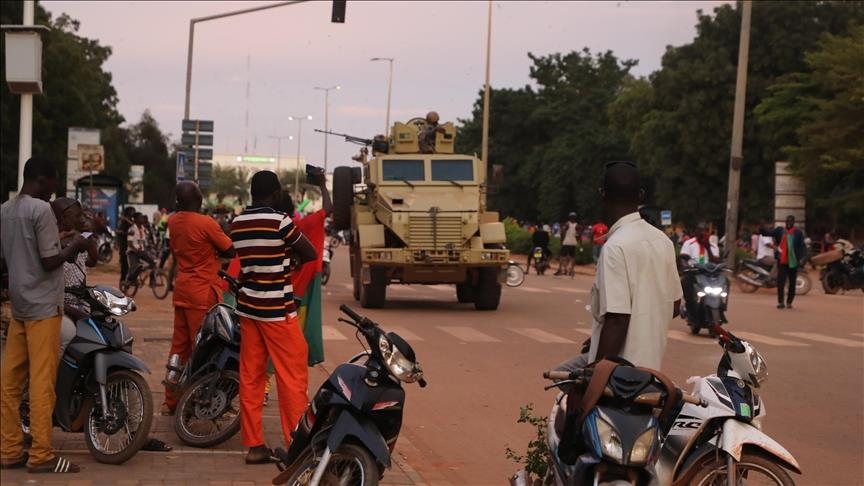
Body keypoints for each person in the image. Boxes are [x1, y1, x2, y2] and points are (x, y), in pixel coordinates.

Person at [0, 156, 90, 473]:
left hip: (20, 309)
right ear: (42, 179)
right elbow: (51, 261)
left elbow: (7, 261)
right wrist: (76, 245)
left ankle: (10, 450)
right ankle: (41, 455)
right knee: (41, 384)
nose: (54, 191)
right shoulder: (40, 210)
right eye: (53, 183)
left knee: (10, 384)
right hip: (44, 309)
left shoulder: (6, 210)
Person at [556, 161, 681, 372]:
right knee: (564, 372)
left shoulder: (615, 246)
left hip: (617, 373)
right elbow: (675, 305)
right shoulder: (663, 241)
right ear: (641, 195)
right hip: (651, 367)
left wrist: (594, 374)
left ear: (602, 194)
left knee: (563, 380)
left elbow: (617, 319)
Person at [230, 171, 316, 464]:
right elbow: (310, 251)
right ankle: (297, 444)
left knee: (251, 378)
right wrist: (292, 260)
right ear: (275, 193)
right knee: (292, 377)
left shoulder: (237, 223)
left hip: (249, 309)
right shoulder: (281, 221)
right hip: (277, 311)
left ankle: (254, 446)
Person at [160, 182, 235, 416]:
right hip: (202, 292)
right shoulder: (206, 223)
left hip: (182, 290)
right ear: (199, 199)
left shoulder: (173, 221)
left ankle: (170, 401)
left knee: (179, 347)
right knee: (203, 349)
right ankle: (198, 401)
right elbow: (230, 250)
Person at [283, 165, 331, 366]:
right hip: (298, 292)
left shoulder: (270, 228)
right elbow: (328, 209)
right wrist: (322, 183)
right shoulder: (302, 226)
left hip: (273, 294)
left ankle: (265, 389)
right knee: (294, 346)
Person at [761, 215, 806, 309]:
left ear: (793, 223)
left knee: (792, 283)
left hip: (793, 261)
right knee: (780, 282)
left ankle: (789, 302)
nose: (789, 223)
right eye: (787, 221)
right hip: (782, 261)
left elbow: (802, 246)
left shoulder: (798, 233)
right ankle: (781, 302)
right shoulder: (780, 231)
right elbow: (766, 233)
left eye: (791, 222)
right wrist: (762, 226)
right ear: (785, 222)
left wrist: (801, 258)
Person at [124, 213, 154, 285]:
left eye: (142, 218)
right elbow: (129, 243)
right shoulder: (132, 229)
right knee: (135, 268)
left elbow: (148, 237)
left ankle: (152, 281)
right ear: (136, 220)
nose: (142, 219)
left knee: (153, 262)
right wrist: (135, 249)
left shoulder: (143, 229)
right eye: (140, 218)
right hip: (133, 252)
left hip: (141, 251)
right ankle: (129, 281)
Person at [116, 206, 136, 285]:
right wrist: (128, 233)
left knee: (132, 263)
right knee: (124, 264)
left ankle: (131, 280)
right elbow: (118, 231)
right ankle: (123, 280)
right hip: (123, 245)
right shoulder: (123, 220)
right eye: (132, 211)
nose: (133, 213)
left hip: (131, 244)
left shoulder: (131, 221)